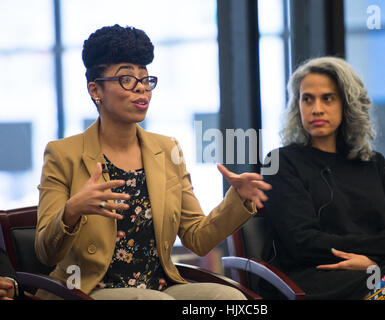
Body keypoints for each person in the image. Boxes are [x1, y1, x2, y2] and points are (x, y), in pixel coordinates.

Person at [35, 24, 271, 300]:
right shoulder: (62, 153)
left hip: (160, 288)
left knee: (231, 299)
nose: (142, 89)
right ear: (95, 90)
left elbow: (198, 238)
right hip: (86, 291)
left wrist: (236, 200)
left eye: (146, 80)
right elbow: (45, 251)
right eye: (126, 79)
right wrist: (73, 210)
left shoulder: (167, 150)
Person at [261, 56, 385, 300]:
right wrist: (381, 254)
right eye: (307, 99)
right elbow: (303, 242)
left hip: (376, 268)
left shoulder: (373, 163)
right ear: (297, 105)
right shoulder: (280, 162)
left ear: (347, 104)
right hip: (319, 275)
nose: (316, 108)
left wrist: (370, 261)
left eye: (327, 98)